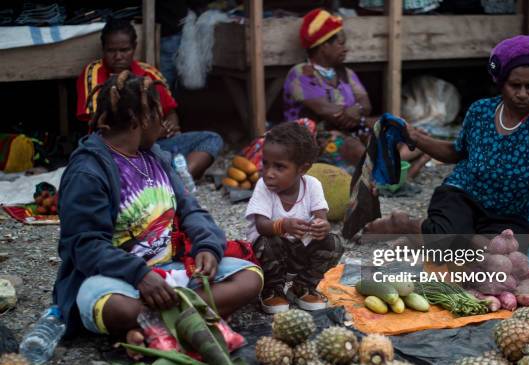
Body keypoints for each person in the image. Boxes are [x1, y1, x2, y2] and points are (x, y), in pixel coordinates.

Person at [54, 71, 262, 345]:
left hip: (172, 271)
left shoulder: (156, 156)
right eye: (158, 116)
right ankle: (193, 318)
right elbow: (85, 245)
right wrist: (140, 275)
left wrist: (207, 247)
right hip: (120, 281)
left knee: (250, 278)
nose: (164, 126)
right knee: (114, 307)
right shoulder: (88, 173)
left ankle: (153, 326)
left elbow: (191, 209)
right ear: (138, 121)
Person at [365, 36, 529, 260]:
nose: (523, 93)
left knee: (504, 257)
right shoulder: (481, 111)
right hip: (463, 196)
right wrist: (416, 138)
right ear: (501, 82)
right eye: (515, 85)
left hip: (511, 215)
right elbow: (456, 152)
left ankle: (440, 238)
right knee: (450, 247)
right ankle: (404, 225)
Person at [283, 8, 430, 177]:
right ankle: (408, 167)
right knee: (355, 147)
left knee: (409, 132)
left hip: (354, 129)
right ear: (324, 46)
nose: (345, 49)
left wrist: (356, 112)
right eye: (340, 43)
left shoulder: (346, 73)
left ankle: (395, 167)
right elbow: (326, 111)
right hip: (317, 138)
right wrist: (354, 112)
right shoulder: (301, 73)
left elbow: (365, 105)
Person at [76, 18, 222, 181]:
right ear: (103, 50)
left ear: (134, 48)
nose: (118, 56)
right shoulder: (94, 73)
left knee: (210, 139)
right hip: (116, 149)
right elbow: (99, 126)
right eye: (111, 50)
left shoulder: (149, 73)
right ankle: (164, 180)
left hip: (155, 144)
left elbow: (171, 112)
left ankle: (180, 180)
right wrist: (152, 133)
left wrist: (170, 126)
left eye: (124, 50)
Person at [245, 122, 344, 314]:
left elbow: (322, 218)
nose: (269, 173)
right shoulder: (263, 187)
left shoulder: (313, 185)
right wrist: (284, 225)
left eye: (279, 167)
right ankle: (273, 291)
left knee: (334, 243)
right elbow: (261, 226)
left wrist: (320, 226)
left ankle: (302, 286)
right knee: (266, 241)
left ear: (302, 169)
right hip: (269, 255)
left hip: (299, 251)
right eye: (265, 163)